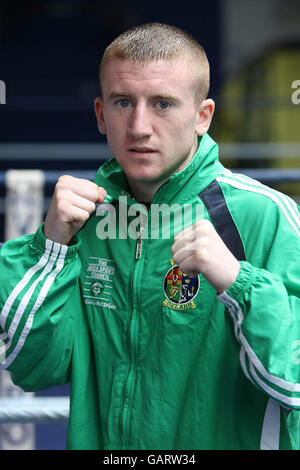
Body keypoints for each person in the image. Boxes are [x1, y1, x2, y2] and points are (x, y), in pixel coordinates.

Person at [1, 22, 300, 451]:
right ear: (101, 115)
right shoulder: (81, 221)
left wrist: (240, 283)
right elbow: (34, 369)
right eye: (124, 102)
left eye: (162, 103)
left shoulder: (264, 215)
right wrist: (49, 249)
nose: (139, 126)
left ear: (202, 117)